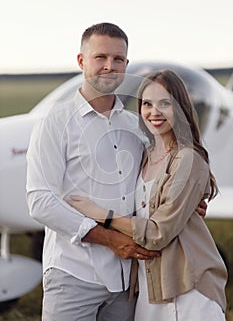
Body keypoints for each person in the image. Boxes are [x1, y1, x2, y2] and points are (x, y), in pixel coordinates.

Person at [26, 23, 207, 321]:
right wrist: (110, 239)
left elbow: (159, 179)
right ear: (82, 61)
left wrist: (189, 200)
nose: (109, 66)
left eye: (118, 59)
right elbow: (40, 202)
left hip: (128, 282)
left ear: (126, 64)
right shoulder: (54, 124)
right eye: (100, 57)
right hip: (73, 274)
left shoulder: (137, 126)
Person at [67, 70, 228, 320]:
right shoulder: (145, 154)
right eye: (147, 104)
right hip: (149, 288)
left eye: (165, 103)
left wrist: (99, 215)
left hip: (186, 289)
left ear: (181, 107)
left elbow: (157, 233)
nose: (155, 112)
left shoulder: (187, 159)